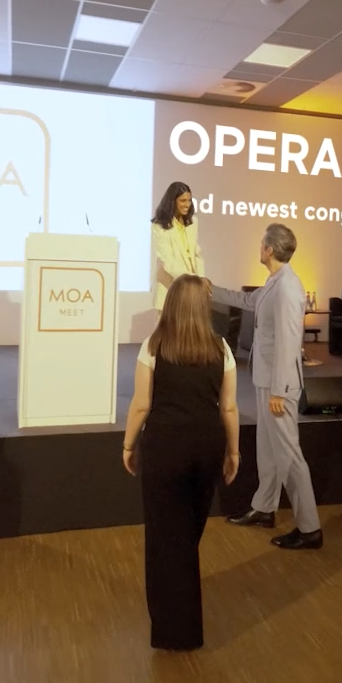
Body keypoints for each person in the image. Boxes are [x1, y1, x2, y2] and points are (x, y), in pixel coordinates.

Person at [122, 274, 240, 650]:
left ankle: (173, 629)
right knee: (187, 536)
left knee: (165, 538)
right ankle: (183, 625)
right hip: (207, 447)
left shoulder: (154, 345)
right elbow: (229, 407)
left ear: (171, 304)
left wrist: (127, 444)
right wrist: (233, 452)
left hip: (164, 448)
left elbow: (141, 404)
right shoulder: (221, 348)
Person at [212, 223, 321, 549]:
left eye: (262, 243)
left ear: (270, 249)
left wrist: (279, 390)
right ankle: (264, 507)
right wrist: (209, 289)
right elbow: (247, 300)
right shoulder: (275, 282)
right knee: (268, 450)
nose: (259, 247)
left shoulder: (287, 287)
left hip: (278, 386)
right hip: (267, 380)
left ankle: (310, 528)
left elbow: (290, 342)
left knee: (289, 455)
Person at [150, 181, 204, 311]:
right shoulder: (159, 226)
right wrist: (190, 279)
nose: (187, 205)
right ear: (172, 201)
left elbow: (196, 254)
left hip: (191, 291)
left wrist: (200, 280)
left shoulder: (193, 222)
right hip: (170, 288)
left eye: (189, 200)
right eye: (183, 201)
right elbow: (167, 261)